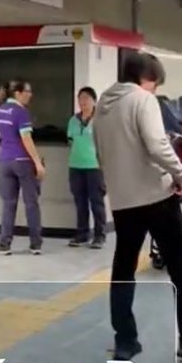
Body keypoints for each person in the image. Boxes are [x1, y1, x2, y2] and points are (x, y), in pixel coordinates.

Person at [93, 52, 182, 363]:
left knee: (123, 269)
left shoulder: (103, 106)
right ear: (146, 79)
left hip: (123, 201)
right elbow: (158, 145)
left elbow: (100, 153)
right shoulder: (142, 100)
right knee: (180, 269)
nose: (155, 90)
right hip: (156, 198)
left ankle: (125, 341)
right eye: (156, 84)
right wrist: (180, 175)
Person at [0, 79, 45, 256]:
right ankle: (35, 244)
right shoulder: (21, 112)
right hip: (23, 161)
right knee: (31, 203)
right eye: (27, 92)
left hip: (5, 161)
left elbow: (0, 136)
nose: (30, 95)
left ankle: (4, 244)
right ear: (18, 93)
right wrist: (37, 162)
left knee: (8, 204)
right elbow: (26, 139)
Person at [66, 86, 107, 249]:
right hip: (76, 166)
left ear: (94, 101)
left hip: (95, 167)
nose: (82, 102)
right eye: (80, 98)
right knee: (80, 202)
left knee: (96, 202)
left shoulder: (100, 120)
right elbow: (70, 141)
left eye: (86, 98)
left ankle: (99, 235)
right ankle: (82, 234)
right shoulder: (73, 120)